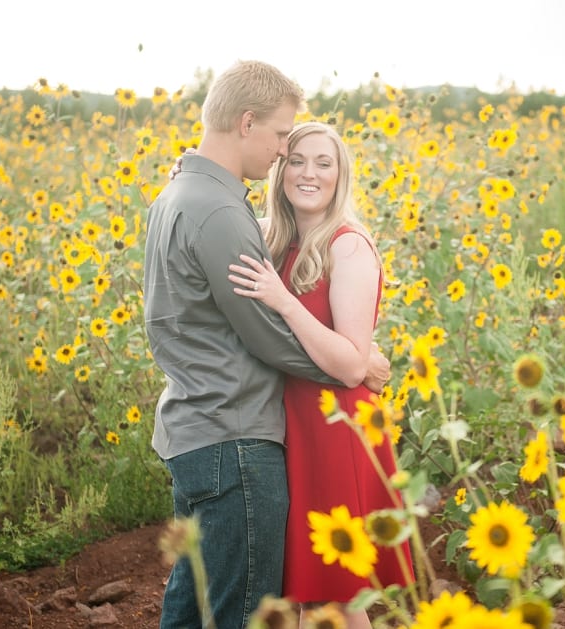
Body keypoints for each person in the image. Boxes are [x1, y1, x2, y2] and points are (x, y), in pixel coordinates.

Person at [143, 61, 389, 629]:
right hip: (236, 436)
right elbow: (266, 335)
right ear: (247, 123)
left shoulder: (184, 194)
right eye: (283, 139)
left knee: (199, 597)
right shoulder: (222, 211)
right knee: (244, 609)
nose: (284, 153)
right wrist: (355, 367)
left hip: (213, 427)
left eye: (314, 158)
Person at [227, 121, 413, 628]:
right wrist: (187, 172)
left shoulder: (347, 246)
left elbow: (352, 363)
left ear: (340, 175)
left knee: (339, 597)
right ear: (280, 169)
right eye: (298, 160)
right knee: (312, 596)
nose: (309, 173)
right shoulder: (273, 238)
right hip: (291, 429)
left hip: (335, 430)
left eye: (323, 163)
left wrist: (283, 301)